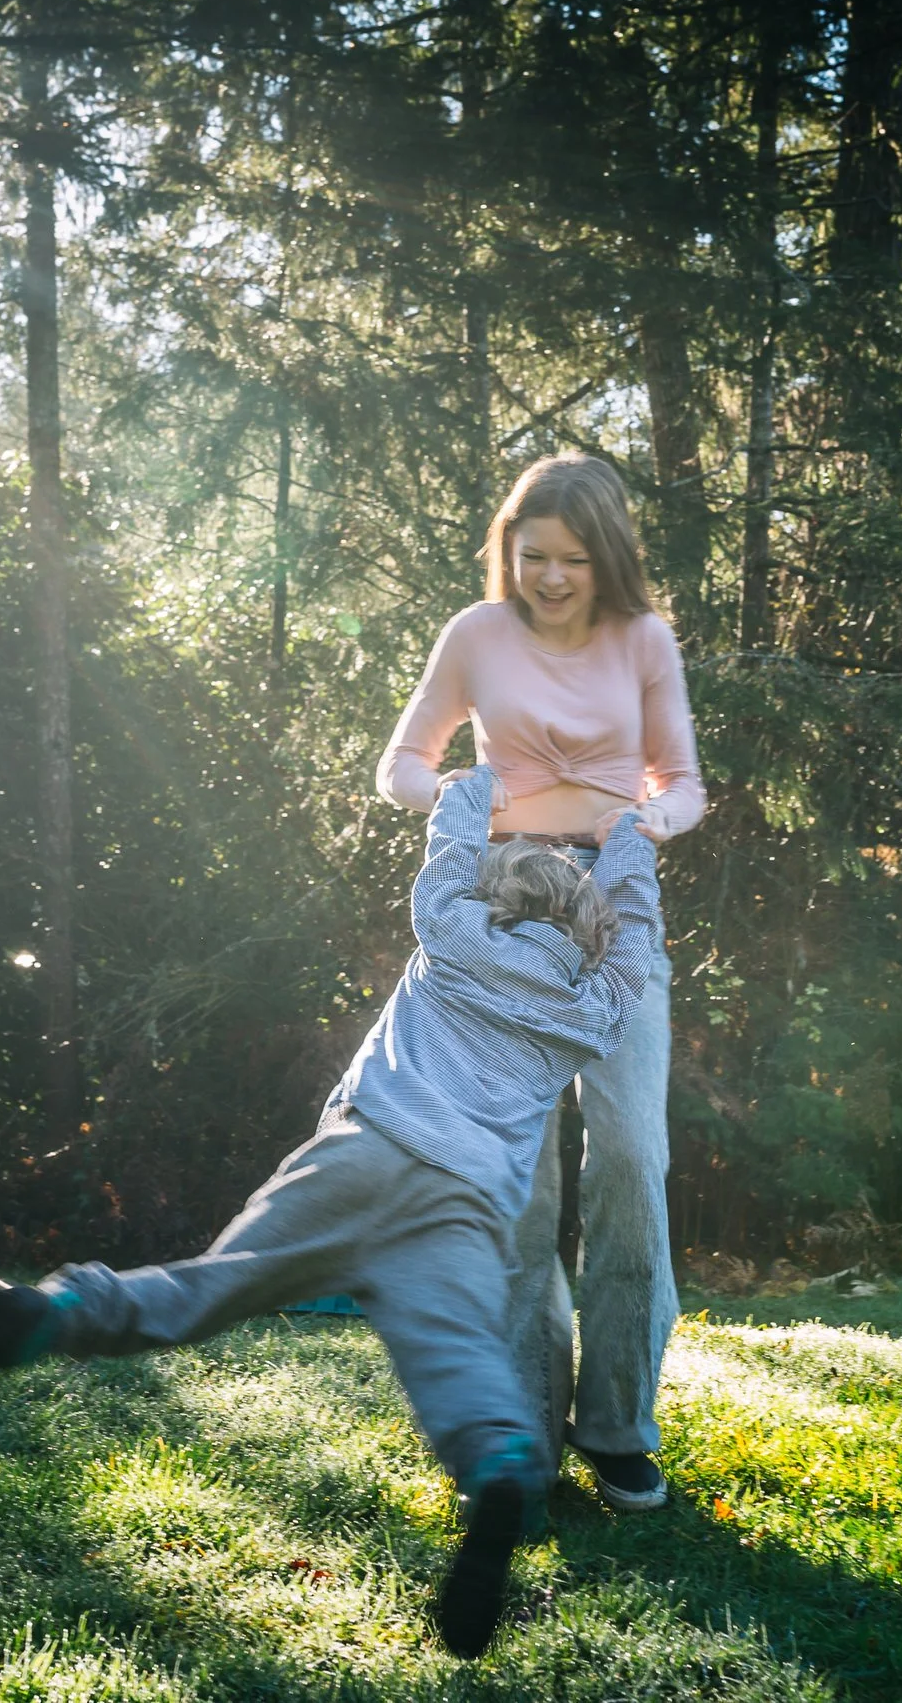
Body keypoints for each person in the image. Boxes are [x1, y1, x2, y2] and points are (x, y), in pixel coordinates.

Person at [0, 765, 661, 1660]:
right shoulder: (594, 1006)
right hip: (462, 1204)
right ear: (586, 931)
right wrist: (628, 837)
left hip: (362, 1153)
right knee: (459, 1362)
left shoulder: (450, 933)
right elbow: (634, 935)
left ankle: (48, 1314)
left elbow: (446, 857)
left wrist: (472, 784)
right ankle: (497, 1468)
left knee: (207, 1289)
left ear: (495, 897)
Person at [376, 452, 704, 1513]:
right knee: (516, 1177)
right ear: (506, 549)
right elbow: (401, 763)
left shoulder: (644, 640)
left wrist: (643, 825)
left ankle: (617, 1425)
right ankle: (519, 1434)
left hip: (613, 909)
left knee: (631, 1159)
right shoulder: (475, 634)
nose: (551, 578)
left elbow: (684, 780)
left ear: (606, 558)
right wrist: (472, 812)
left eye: (571, 559)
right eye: (532, 557)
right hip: (499, 905)